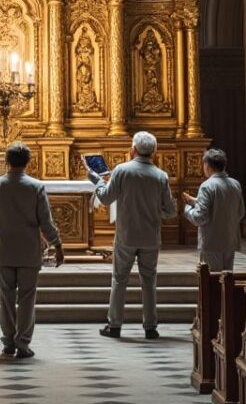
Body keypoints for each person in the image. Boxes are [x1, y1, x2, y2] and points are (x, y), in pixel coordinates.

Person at [0, 142, 64, 359]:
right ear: (28, 162)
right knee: (27, 297)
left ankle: (8, 342)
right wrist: (57, 244)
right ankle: (23, 343)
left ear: (7, 161)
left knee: (5, 297)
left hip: (4, 250)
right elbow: (46, 221)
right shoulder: (36, 187)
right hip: (29, 250)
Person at [88, 131, 176, 339]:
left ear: (133, 149)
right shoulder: (160, 175)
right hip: (150, 236)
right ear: (153, 152)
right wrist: (156, 212)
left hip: (127, 235)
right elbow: (171, 211)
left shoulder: (122, 170)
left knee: (119, 279)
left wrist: (97, 181)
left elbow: (106, 198)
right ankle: (150, 327)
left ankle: (115, 325)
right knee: (149, 281)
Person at [181, 149, 245, 270]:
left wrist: (187, 209)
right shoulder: (235, 184)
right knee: (227, 279)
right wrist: (195, 201)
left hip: (212, 242)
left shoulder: (207, 185)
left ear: (207, 165)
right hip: (230, 240)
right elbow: (240, 212)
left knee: (212, 281)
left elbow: (200, 217)